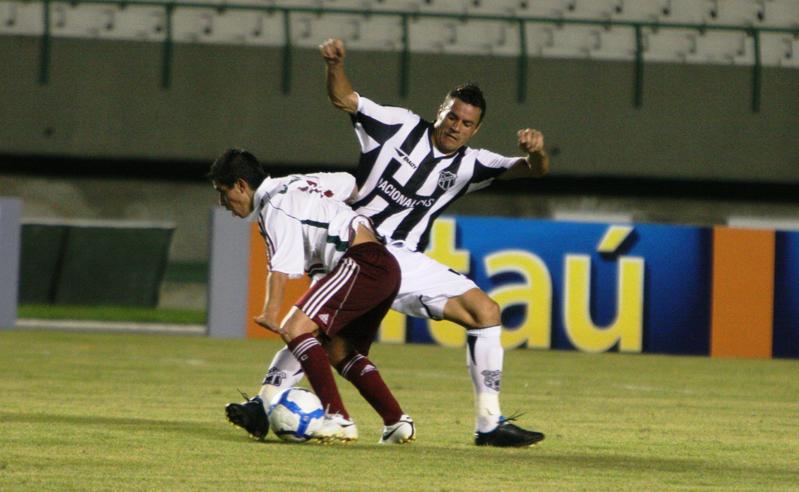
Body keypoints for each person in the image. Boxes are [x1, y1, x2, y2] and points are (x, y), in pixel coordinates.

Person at [229, 38, 550, 448]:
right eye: (452, 116)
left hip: (403, 260)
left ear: (476, 129)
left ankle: (489, 422)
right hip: (352, 245)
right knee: (325, 336)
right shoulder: (397, 125)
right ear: (441, 111)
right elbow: (345, 99)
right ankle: (276, 403)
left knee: (485, 311)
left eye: (467, 123)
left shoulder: (471, 164)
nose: (456, 127)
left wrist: (536, 153)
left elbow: (531, 170)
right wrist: (335, 65)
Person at [211, 148, 415, 444]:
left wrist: (271, 312)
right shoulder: (295, 183)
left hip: (360, 263)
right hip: (382, 266)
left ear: (241, 185)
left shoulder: (274, 207)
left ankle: (338, 418)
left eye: (222, 192)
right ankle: (396, 421)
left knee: (295, 329)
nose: (223, 203)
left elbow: (280, 269)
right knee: (340, 352)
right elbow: (349, 183)